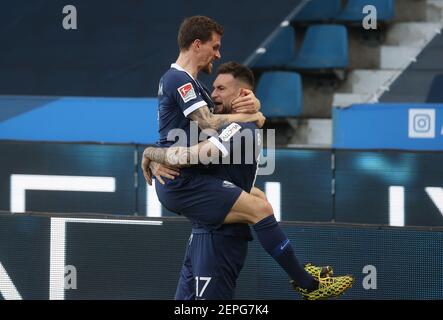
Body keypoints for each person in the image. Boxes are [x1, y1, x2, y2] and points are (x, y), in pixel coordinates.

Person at [143, 16, 354, 300]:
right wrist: (251, 116)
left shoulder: (195, 86)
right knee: (259, 210)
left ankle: (305, 278)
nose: (218, 55)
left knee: (259, 199)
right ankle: (307, 284)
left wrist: (253, 108)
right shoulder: (177, 78)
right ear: (197, 45)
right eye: (215, 47)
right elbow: (207, 122)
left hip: (192, 176)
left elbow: (212, 120)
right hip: (181, 180)